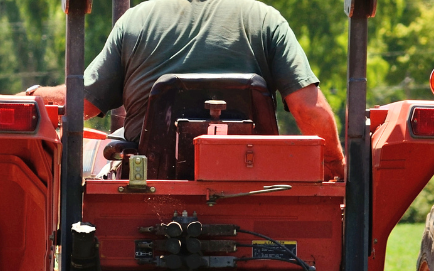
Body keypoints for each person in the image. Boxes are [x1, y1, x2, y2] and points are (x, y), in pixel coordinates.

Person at [24, 0, 345, 180]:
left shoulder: (135, 22)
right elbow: (307, 109)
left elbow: (79, 103)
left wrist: (31, 96)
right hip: (252, 183)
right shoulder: (265, 20)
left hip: (148, 184)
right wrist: (334, 166)